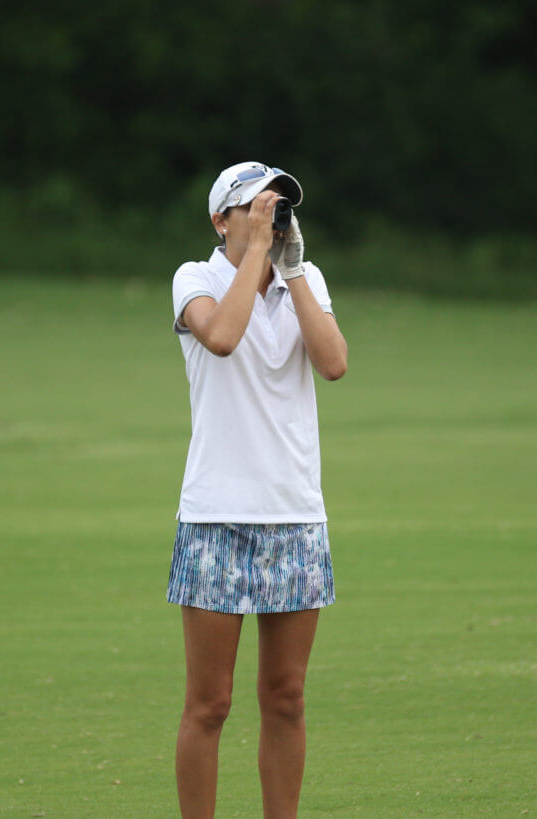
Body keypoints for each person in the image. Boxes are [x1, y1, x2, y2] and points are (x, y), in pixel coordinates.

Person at [167, 161, 348, 817]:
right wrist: (256, 259)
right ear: (222, 219)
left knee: (287, 695)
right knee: (210, 702)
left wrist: (292, 270)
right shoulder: (196, 277)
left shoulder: (306, 278)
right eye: (258, 208)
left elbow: (333, 363)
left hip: (295, 515)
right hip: (216, 517)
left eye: (281, 208)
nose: (274, 218)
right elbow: (220, 336)